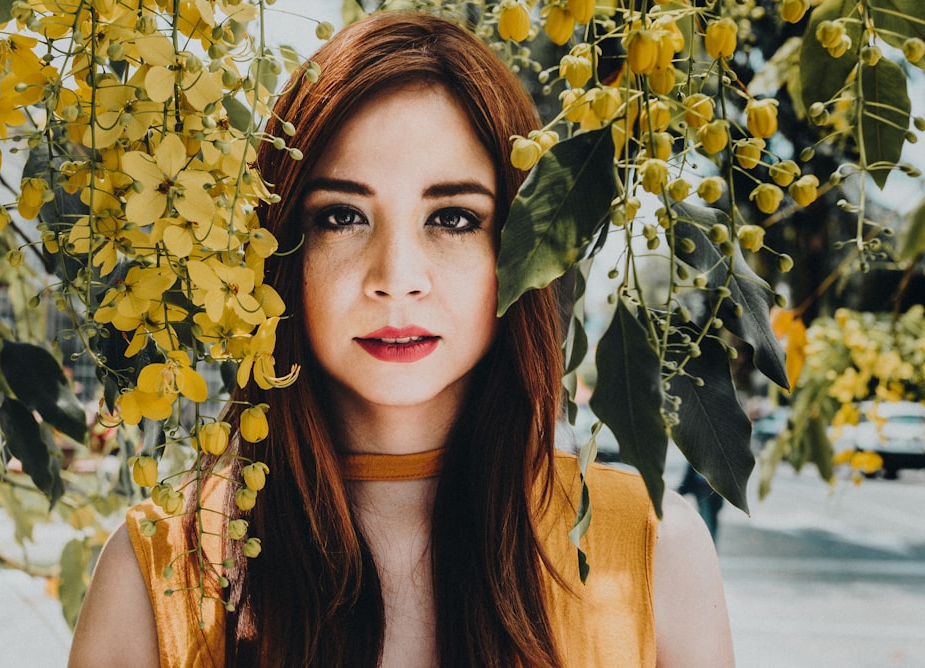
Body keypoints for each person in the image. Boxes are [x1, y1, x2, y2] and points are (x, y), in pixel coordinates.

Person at [69, 11, 734, 667]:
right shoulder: (158, 571)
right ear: (278, 251)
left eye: (452, 218)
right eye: (340, 216)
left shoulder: (654, 552)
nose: (397, 279)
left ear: (522, 247)